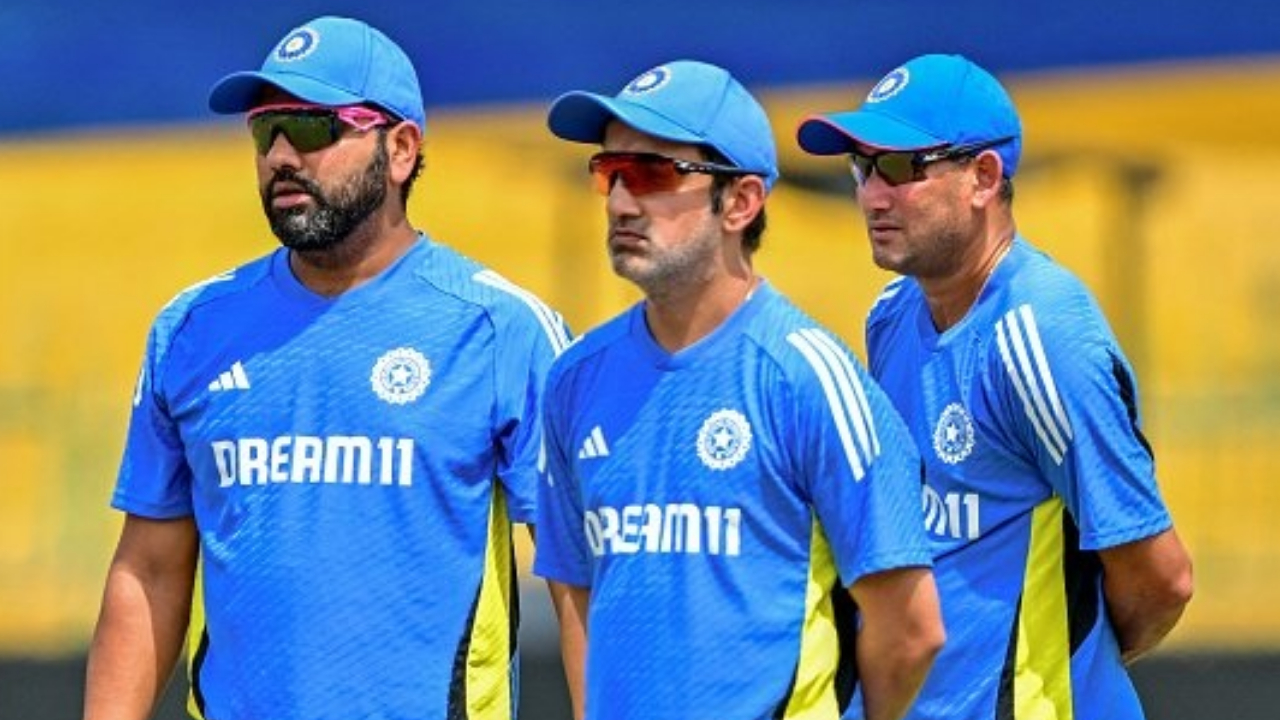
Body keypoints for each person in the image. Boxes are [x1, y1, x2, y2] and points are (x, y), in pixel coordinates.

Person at [83, 15, 571, 720]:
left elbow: (583, 582)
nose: (282, 155)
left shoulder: (502, 330)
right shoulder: (191, 330)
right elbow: (150, 572)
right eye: (264, 130)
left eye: (312, 129)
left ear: (400, 149)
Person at [532, 59, 945, 720]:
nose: (620, 202)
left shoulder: (809, 377)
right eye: (609, 173)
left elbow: (913, 627)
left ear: (742, 201)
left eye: (652, 174)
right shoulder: (576, 378)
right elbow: (576, 589)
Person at [796, 53, 1194, 719]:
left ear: (983, 177)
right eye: (861, 167)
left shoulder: (1040, 334)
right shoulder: (892, 315)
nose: (871, 193)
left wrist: (1065, 671)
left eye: (899, 167)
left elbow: (1162, 579)